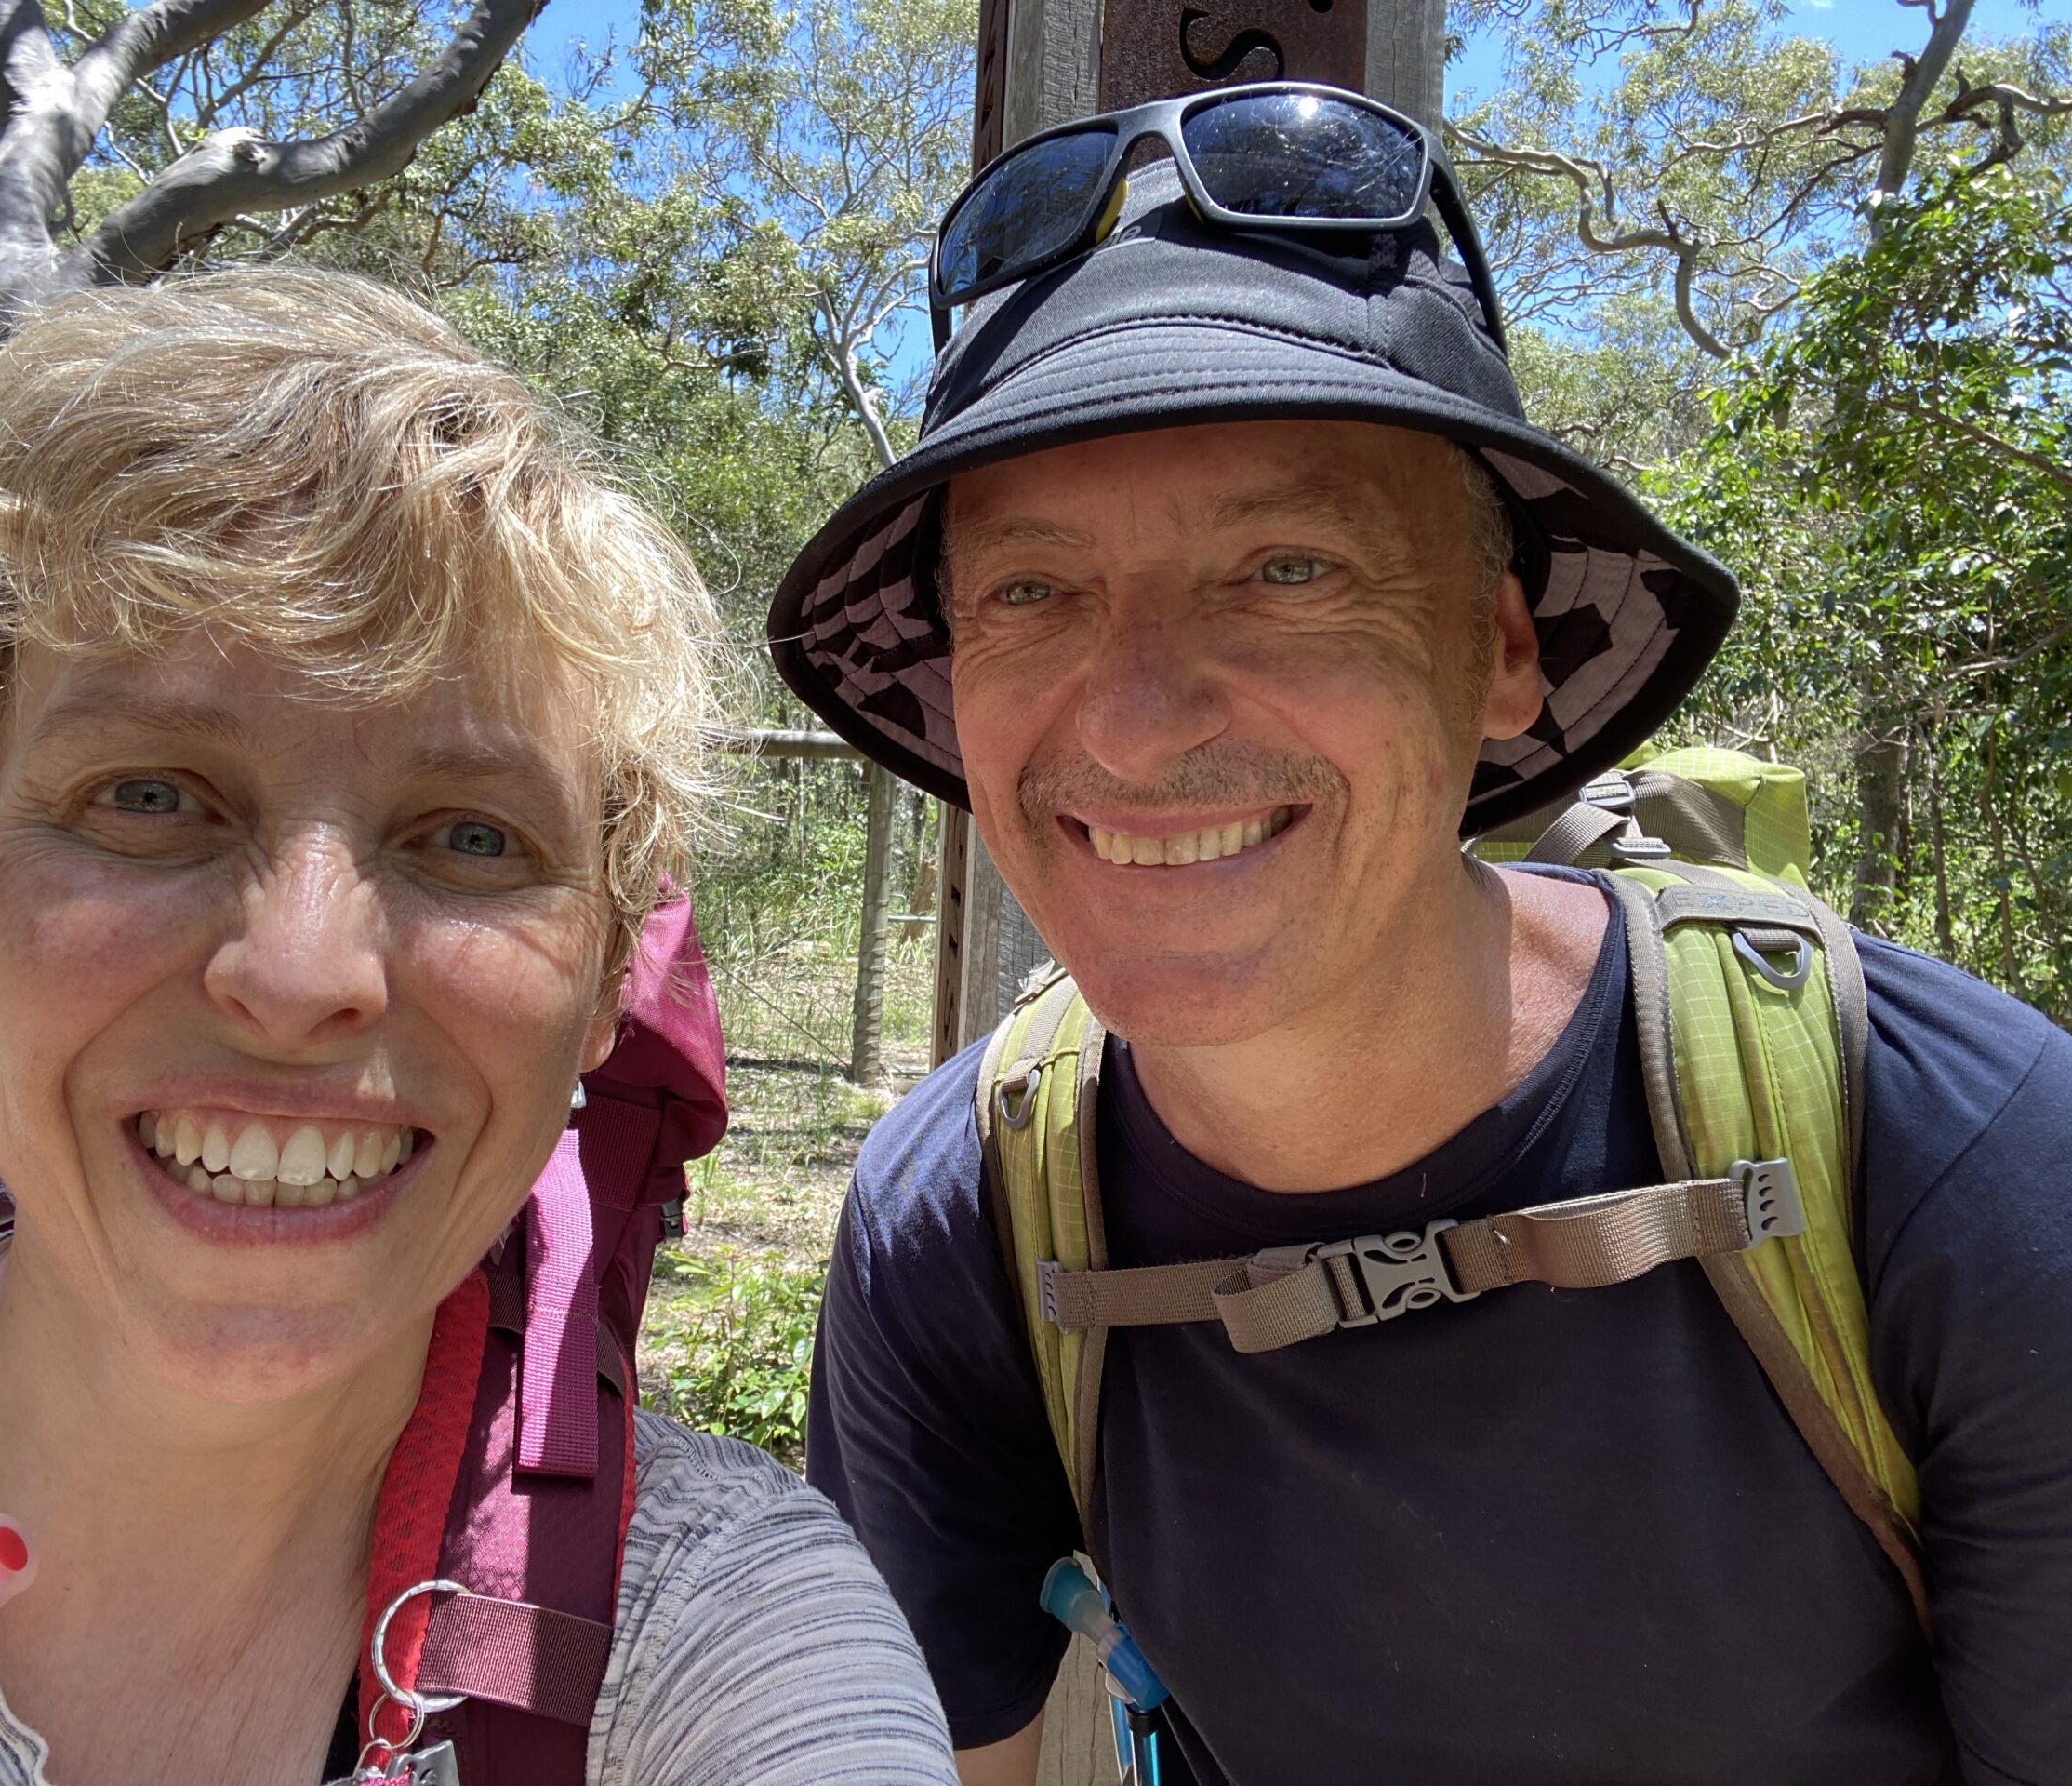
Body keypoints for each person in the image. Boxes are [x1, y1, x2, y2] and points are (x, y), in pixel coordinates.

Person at [767, 82, 2072, 1785]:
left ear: (1503, 653)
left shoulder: (1948, 1152)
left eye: (1288, 570)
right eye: (1031, 591)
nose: (1142, 723)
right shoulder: (963, 1215)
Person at [0, 269, 956, 1786]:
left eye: (472, 838)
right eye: (148, 799)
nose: (300, 976)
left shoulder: (724, 1644)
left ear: (605, 983)